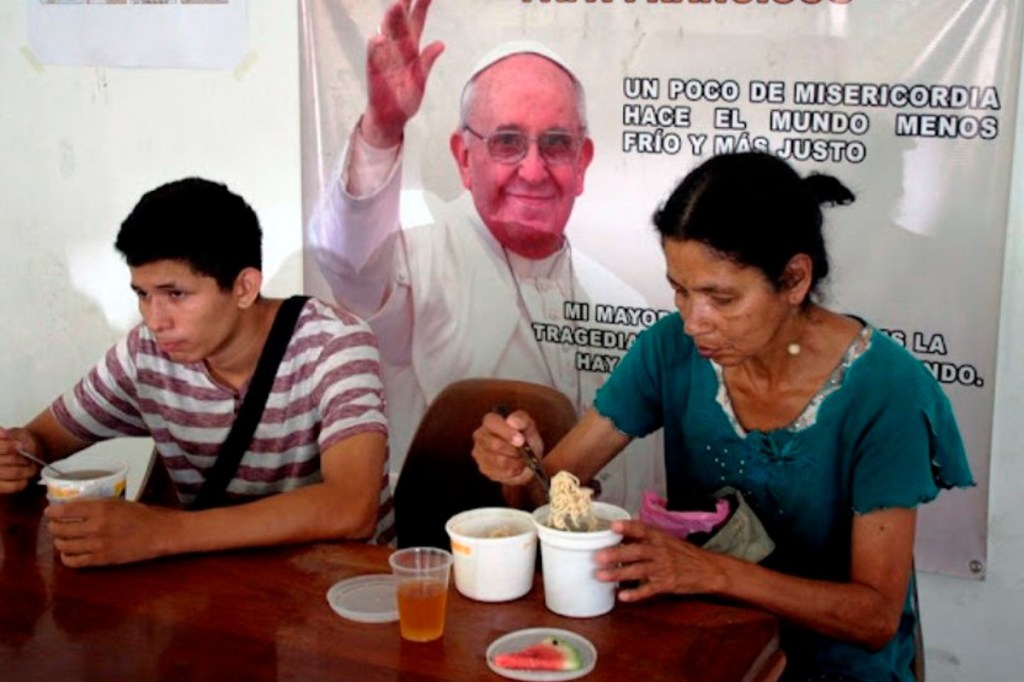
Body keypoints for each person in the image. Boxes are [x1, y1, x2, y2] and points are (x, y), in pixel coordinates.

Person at [472, 151, 975, 680]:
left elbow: (873, 616)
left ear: (795, 279)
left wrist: (708, 571)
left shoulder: (886, 393)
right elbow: (551, 490)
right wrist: (521, 468)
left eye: (721, 298)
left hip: (832, 668)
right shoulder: (670, 350)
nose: (693, 322)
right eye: (680, 291)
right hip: (704, 650)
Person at [307, 0, 663, 511]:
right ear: (463, 158)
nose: (534, 170)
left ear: (582, 162)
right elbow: (346, 263)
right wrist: (381, 131)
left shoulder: (624, 305)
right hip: (451, 562)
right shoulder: (418, 263)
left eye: (557, 143)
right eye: (508, 142)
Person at [0, 178, 393, 568]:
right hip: (217, 592)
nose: (155, 320)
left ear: (243, 288)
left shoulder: (335, 344)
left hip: (339, 591)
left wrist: (161, 532)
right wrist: (22, 453)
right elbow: (40, 441)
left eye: (176, 295)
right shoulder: (146, 354)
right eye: (142, 294)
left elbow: (350, 507)